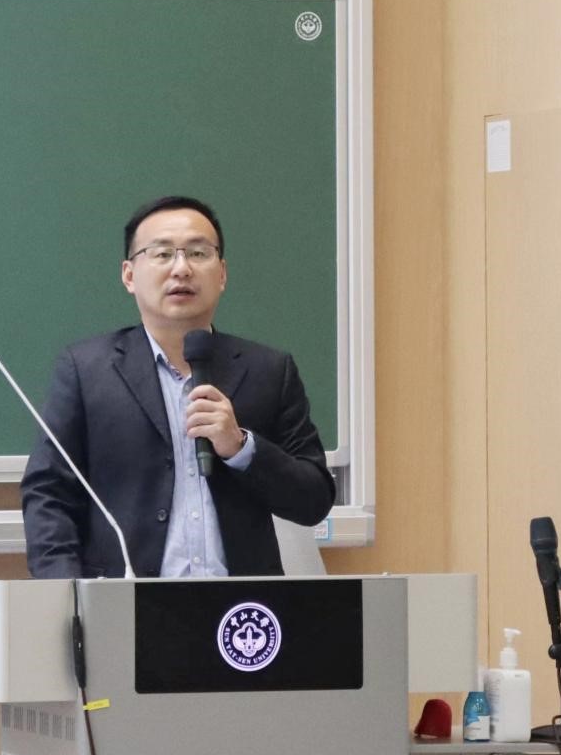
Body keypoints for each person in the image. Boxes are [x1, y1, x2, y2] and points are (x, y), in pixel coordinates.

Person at [21, 195, 335, 578]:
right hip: (127, 600)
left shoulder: (269, 370)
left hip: (240, 606)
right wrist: (67, 595)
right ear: (129, 275)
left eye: (198, 253)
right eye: (162, 253)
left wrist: (241, 448)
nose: (182, 269)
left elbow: (314, 499)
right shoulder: (86, 370)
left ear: (222, 274)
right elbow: (49, 494)